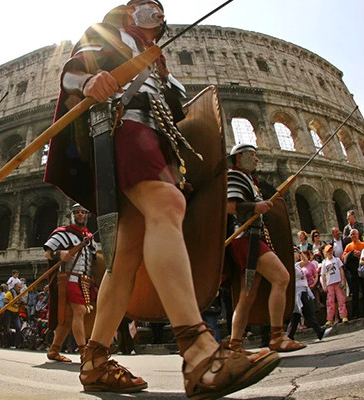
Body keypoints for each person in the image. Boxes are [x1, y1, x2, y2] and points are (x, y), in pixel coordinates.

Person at [43, 2, 279, 397]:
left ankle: (96, 359)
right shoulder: (109, 36)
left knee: (127, 254)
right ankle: (199, 350)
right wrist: (88, 83)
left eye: (157, 9)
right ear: (128, 12)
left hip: (158, 142)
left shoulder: (159, 63)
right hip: (123, 129)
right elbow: (74, 71)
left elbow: (177, 112)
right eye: (144, 6)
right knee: (166, 206)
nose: (153, 12)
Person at [226, 143, 304, 353]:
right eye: (252, 155)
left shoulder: (251, 181)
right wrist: (255, 207)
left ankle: (235, 344)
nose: (257, 158)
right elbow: (230, 206)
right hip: (246, 239)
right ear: (239, 158)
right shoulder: (235, 175)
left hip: (252, 238)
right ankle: (277, 336)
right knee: (281, 277)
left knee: (247, 295)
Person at [44, 203, 98, 363]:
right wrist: (60, 253)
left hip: (85, 281)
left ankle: (54, 350)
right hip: (69, 279)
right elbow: (48, 254)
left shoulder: (89, 237)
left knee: (68, 318)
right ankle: (84, 352)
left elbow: (94, 260)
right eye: (77, 213)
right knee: (80, 311)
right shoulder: (64, 233)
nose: (80, 215)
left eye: (83, 212)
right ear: (73, 215)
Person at [286, 255, 331, 342]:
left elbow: (306, 261)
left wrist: (300, 252)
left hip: (303, 290)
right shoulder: (289, 267)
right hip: (298, 292)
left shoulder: (297, 265)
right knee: (307, 312)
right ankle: (319, 332)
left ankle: (289, 336)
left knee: (297, 315)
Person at [342, 229, 364, 319]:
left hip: (363, 271)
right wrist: (352, 253)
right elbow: (343, 258)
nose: (353, 236)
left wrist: (361, 255)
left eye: (354, 234)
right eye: (351, 235)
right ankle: (355, 313)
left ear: (358, 234)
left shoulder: (363, 245)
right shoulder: (349, 246)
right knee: (355, 292)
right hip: (353, 272)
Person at [321, 244, 348, 325]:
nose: (330, 252)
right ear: (325, 253)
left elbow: (341, 270)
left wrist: (343, 280)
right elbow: (323, 275)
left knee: (341, 300)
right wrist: (324, 285)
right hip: (330, 284)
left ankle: (343, 316)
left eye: (331, 250)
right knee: (330, 302)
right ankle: (330, 319)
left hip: (338, 282)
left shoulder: (337, 260)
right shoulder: (324, 263)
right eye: (328, 251)